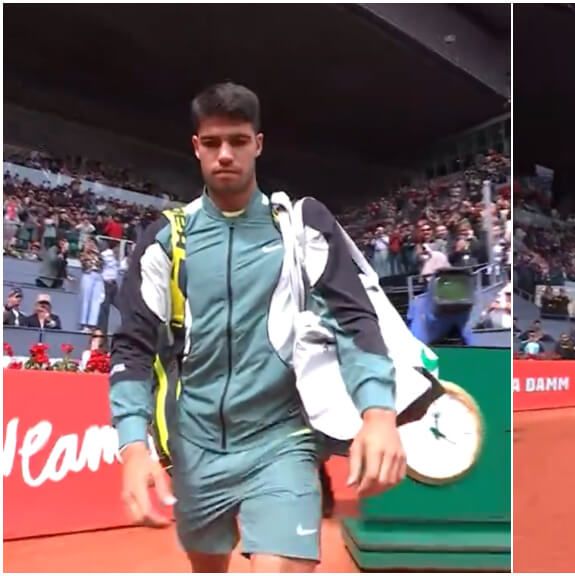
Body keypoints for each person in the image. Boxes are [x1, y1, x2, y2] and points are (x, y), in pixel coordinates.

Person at [109, 82, 405, 573]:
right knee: (207, 566)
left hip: (282, 438)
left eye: (238, 141)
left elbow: (353, 318)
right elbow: (133, 347)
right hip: (195, 446)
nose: (225, 154)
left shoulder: (301, 226)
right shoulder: (164, 240)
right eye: (212, 142)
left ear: (258, 144)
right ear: (197, 147)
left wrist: (378, 413)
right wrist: (133, 446)